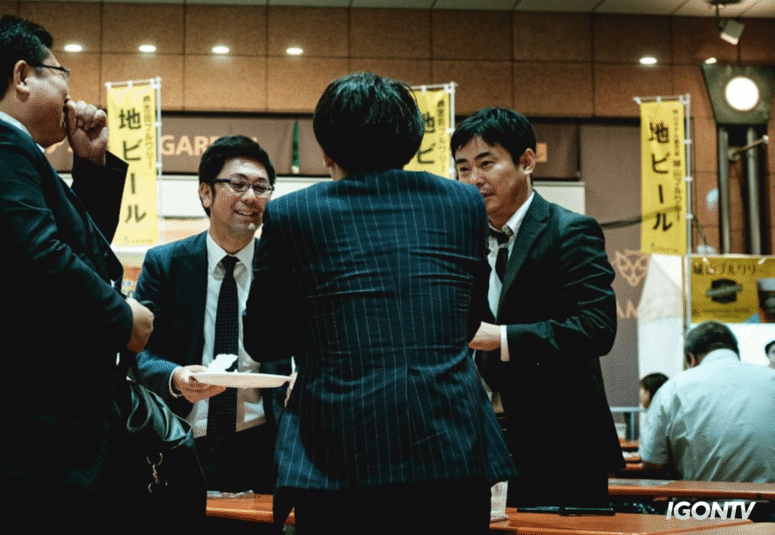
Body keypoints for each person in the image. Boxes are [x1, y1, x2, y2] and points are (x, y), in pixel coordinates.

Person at [0, 14, 154, 535]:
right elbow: (41, 261)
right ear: (22, 76)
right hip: (7, 450)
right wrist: (122, 318)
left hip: (16, 449)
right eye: (60, 71)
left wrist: (88, 166)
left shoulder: (3, 151)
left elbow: (63, 255)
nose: (71, 90)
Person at [244, 72, 515, 534]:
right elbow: (468, 321)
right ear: (410, 139)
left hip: (337, 454)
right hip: (450, 445)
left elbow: (265, 336)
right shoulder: (463, 205)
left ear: (328, 147)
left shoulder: (293, 214)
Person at [452, 106, 623, 509]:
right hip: (475, 441)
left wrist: (504, 339)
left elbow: (596, 327)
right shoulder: (460, 240)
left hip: (561, 443)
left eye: (486, 163)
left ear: (526, 162)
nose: (473, 180)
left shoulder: (570, 231)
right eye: (462, 168)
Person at [133, 135, 291, 494]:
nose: (251, 197)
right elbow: (137, 352)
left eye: (262, 187)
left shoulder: (283, 267)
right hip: (182, 438)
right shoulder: (167, 264)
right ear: (206, 193)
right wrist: (174, 376)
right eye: (238, 184)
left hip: (262, 442)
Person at [639, 321, 775, 482]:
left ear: (691, 358)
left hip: (698, 505)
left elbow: (651, 463)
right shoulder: (771, 379)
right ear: (736, 352)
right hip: (770, 505)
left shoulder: (672, 388)